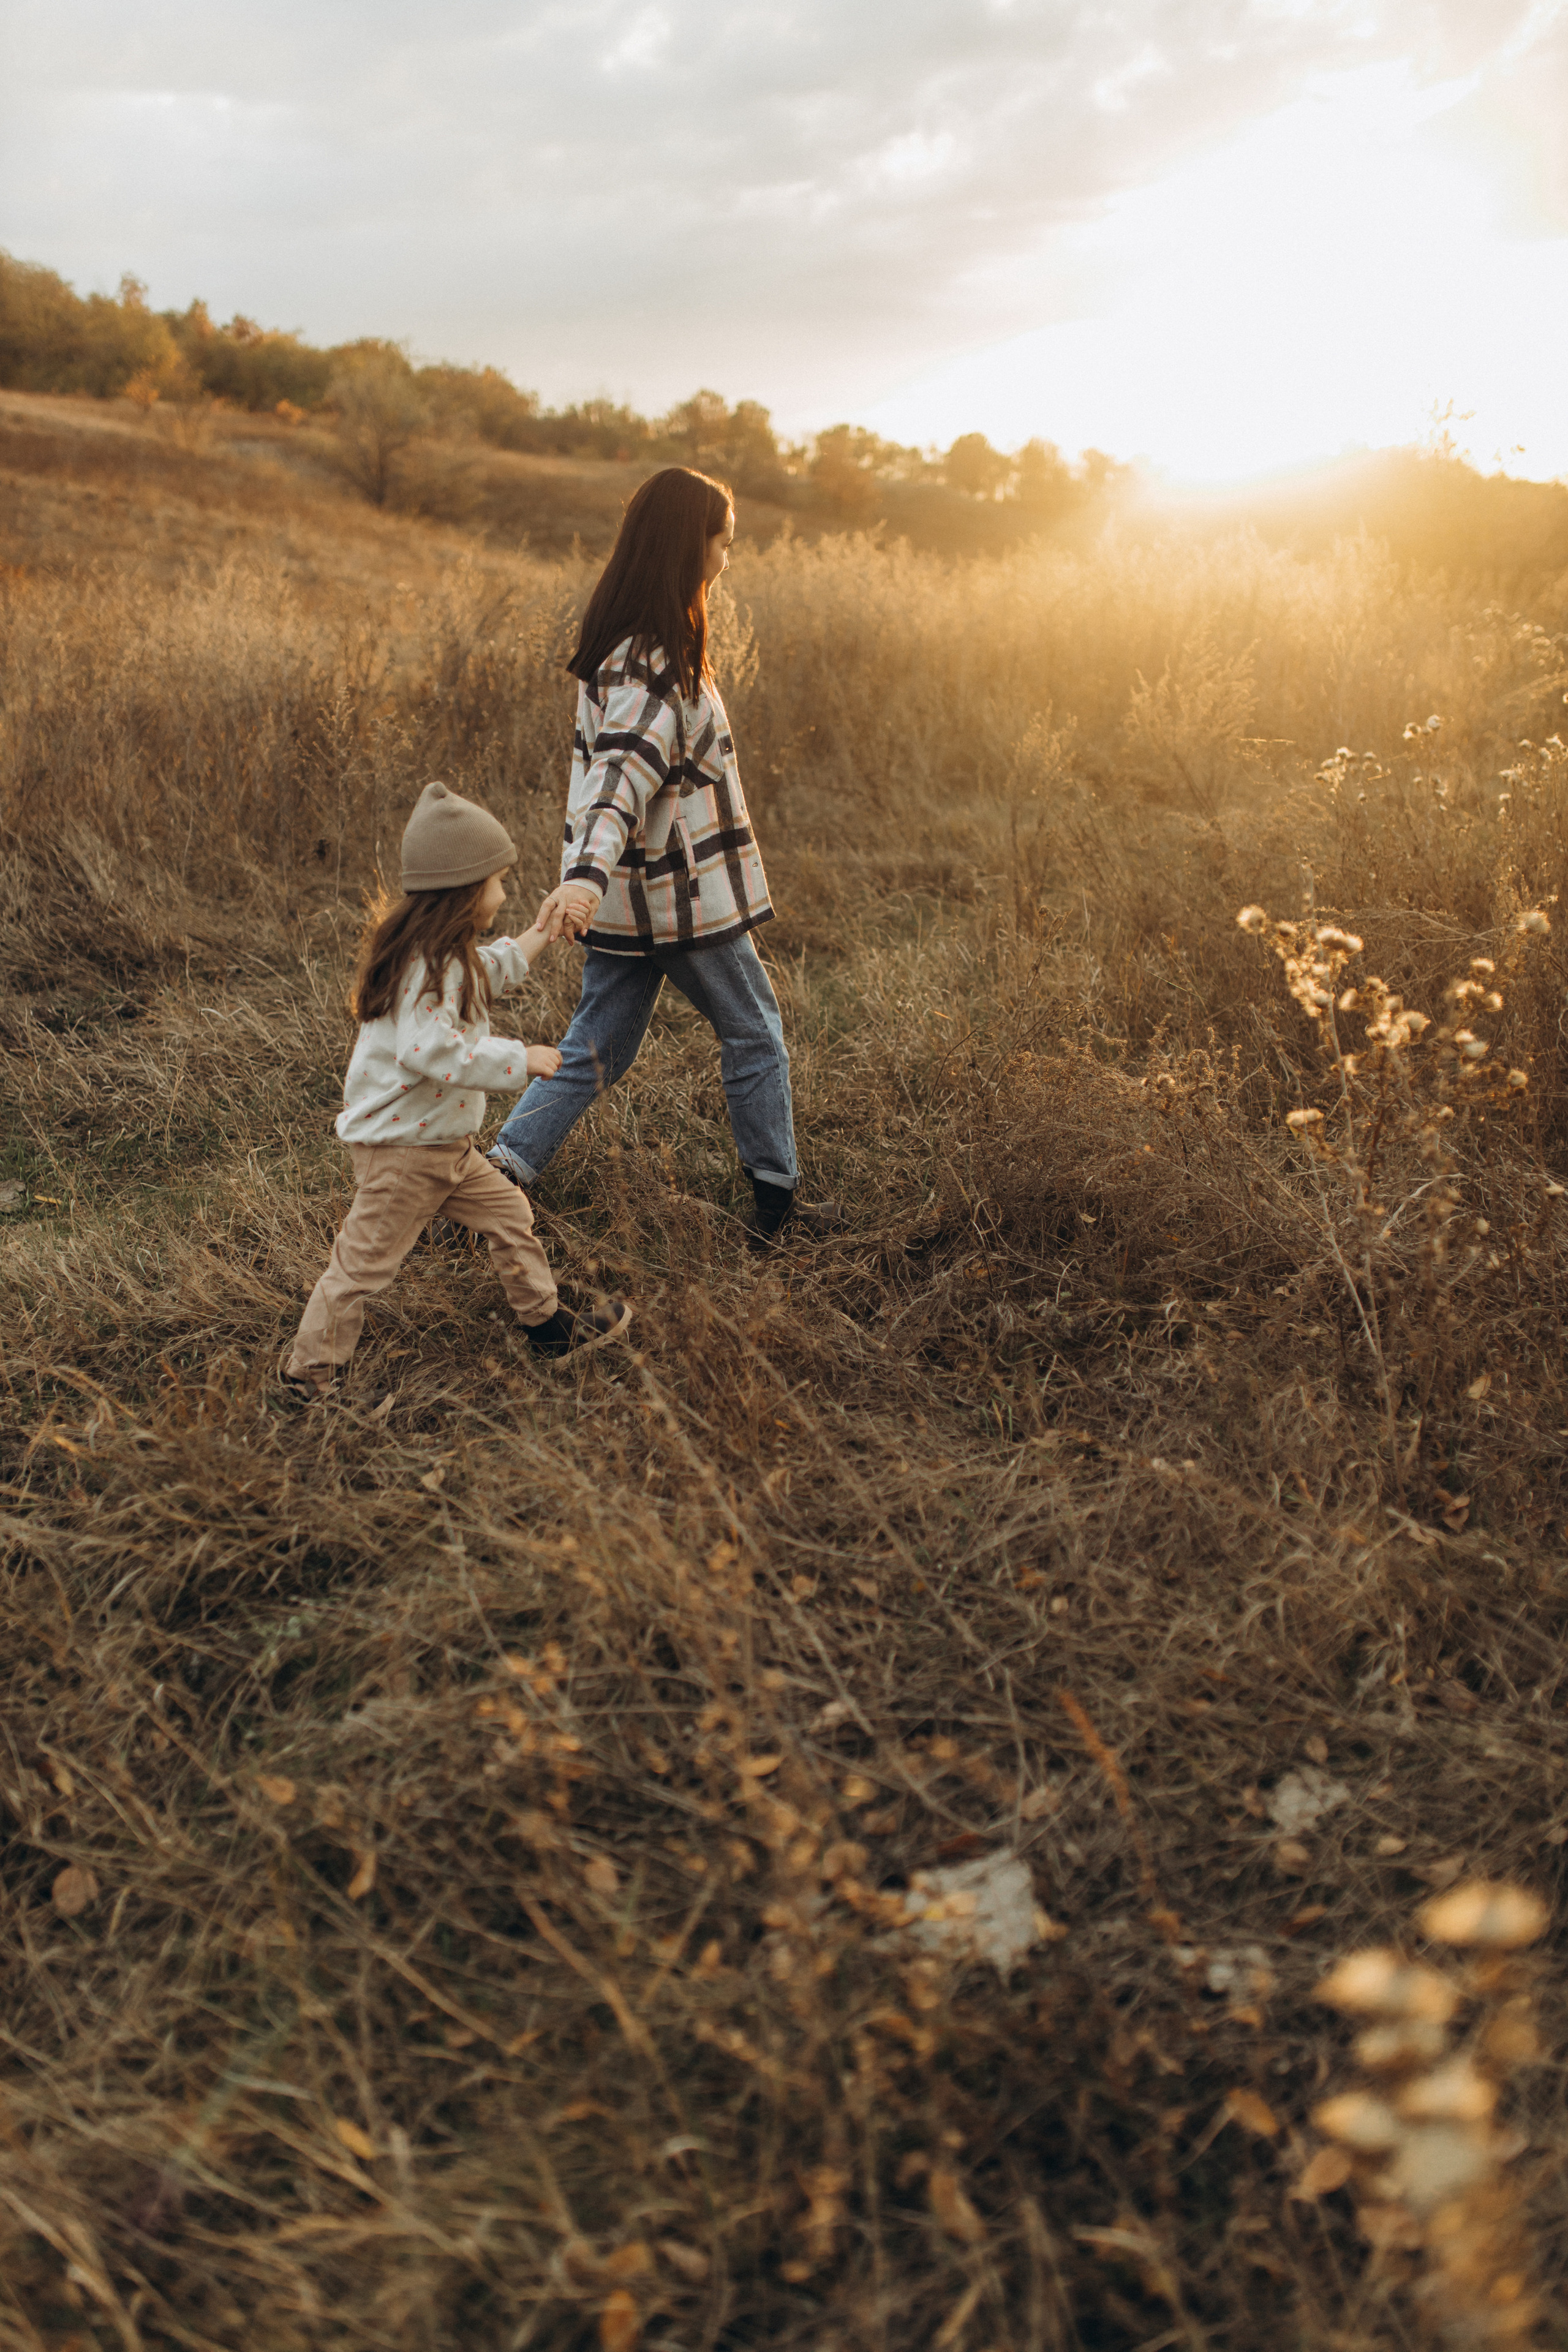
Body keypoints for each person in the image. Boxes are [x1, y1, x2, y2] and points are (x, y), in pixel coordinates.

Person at [487, 466, 837, 1243]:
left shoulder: (634, 646)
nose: (728, 556)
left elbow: (617, 779)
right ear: (690, 545)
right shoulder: (650, 660)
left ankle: (492, 1185)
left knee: (592, 1051)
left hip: (630, 898)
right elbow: (618, 781)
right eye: (723, 542)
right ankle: (779, 1209)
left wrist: (592, 881)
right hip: (678, 899)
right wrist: (582, 878)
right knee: (755, 1033)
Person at [282, 780, 631, 1395]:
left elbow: (494, 967)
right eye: (496, 881)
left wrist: (544, 931)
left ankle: (547, 1327)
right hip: (402, 1155)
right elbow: (431, 1052)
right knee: (360, 1269)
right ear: (465, 892)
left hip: (447, 1149)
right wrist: (519, 1058)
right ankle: (308, 1378)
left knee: (510, 1215)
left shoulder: (449, 955)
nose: (503, 891)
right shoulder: (425, 967)